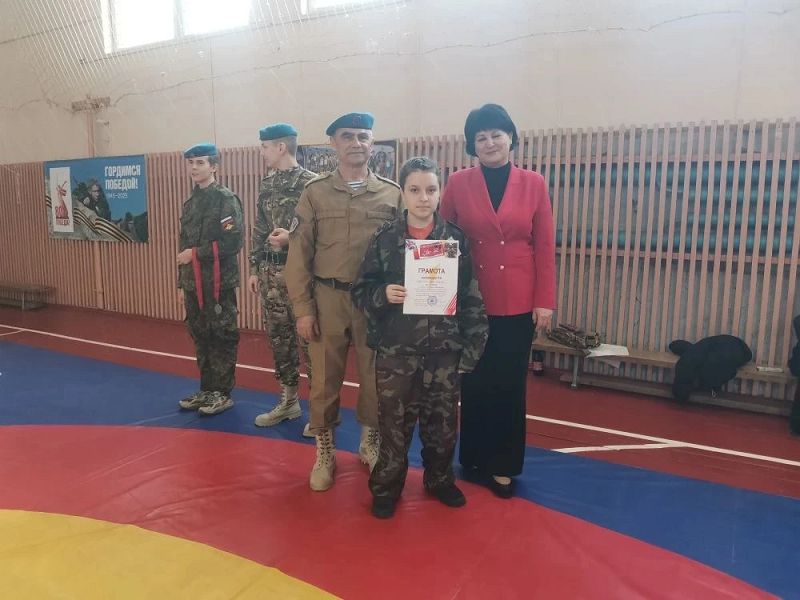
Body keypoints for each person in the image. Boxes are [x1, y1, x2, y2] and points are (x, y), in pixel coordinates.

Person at [352, 156, 488, 518]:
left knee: (442, 424)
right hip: (397, 352)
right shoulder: (385, 238)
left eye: (430, 189)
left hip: (444, 351)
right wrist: (383, 294)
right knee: (393, 424)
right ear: (403, 193)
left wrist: (472, 350)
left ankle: (439, 479)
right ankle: (387, 486)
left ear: (440, 193)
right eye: (414, 189)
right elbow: (360, 291)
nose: (423, 198)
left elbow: (471, 297)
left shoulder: (455, 239)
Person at [440, 103, 556, 498]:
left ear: (511, 138)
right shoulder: (458, 183)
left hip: (519, 301)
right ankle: (473, 457)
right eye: (481, 137)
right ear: (472, 145)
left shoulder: (534, 183)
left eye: (496, 134)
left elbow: (544, 246)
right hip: (471, 299)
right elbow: (442, 237)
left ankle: (503, 464)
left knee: (508, 384)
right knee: (474, 381)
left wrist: (545, 301)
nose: (490, 142)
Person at [285, 112, 402, 491]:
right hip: (328, 299)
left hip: (375, 302)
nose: (356, 143)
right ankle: (325, 451)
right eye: (347, 136)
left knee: (375, 377)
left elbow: (405, 252)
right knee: (323, 380)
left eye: (363, 136)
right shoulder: (315, 193)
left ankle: (369, 442)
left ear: (372, 143)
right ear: (333, 143)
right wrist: (303, 309)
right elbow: (298, 256)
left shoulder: (392, 194)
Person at [248, 123, 316, 434]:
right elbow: (260, 228)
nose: (262, 152)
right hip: (271, 276)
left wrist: (293, 238)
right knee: (280, 341)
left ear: (280, 147)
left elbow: (320, 232)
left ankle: (320, 412)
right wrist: (254, 268)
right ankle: (289, 401)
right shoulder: (267, 183)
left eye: (265, 147)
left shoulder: (311, 184)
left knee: (311, 344)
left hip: (301, 277)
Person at [177, 143, 244, 416]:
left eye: (200, 162)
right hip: (193, 283)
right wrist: (181, 284)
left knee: (222, 336)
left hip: (218, 284)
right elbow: (183, 247)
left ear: (214, 166)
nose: (194, 168)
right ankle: (206, 389)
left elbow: (232, 242)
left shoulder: (225, 199)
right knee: (200, 335)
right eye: (191, 162)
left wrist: (195, 254)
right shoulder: (190, 203)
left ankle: (222, 393)